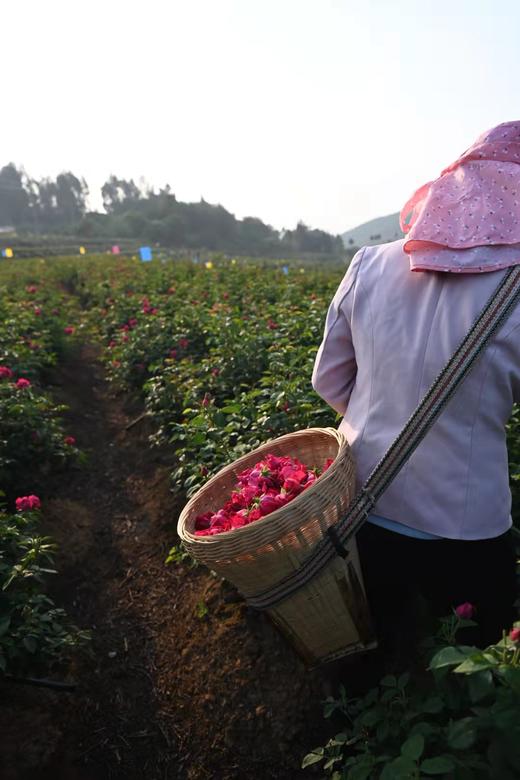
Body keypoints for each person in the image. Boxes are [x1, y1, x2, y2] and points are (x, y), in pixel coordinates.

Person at [312, 121, 520, 652]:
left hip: (362, 505)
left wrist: (384, 418)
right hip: (465, 525)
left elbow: (330, 379)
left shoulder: (371, 264)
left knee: (373, 655)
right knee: (475, 682)